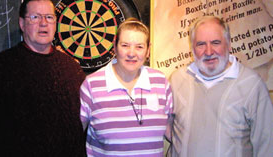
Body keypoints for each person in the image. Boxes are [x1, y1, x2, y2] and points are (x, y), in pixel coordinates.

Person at [0, 0, 86, 156]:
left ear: (55, 23)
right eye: (35, 17)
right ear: (22, 23)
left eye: (49, 17)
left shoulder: (72, 69)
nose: (43, 23)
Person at [170, 16, 273, 157]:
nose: (208, 51)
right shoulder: (177, 80)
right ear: (192, 47)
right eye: (201, 44)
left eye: (216, 43)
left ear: (229, 44)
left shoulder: (251, 84)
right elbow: (163, 125)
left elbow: (267, 143)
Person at [80, 18, 173, 156]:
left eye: (139, 47)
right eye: (125, 45)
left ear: (148, 51)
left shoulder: (160, 82)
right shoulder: (91, 85)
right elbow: (73, 137)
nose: (131, 53)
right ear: (115, 46)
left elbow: (171, 131)